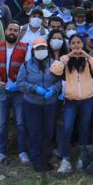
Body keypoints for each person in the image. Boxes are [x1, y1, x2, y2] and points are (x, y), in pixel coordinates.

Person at [51, 34, 93, 173]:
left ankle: (82, 158)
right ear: (69, 45)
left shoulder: (88, 60)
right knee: (67, 128)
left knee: (84, 129)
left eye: (78, 43)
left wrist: (87, 55)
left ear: (83, 44)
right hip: (70, 101)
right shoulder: (66, 59)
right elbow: (55, 69)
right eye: (73, 43)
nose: (76, 46)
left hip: (87, 100)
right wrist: (68, 56)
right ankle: (66, 159)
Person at [0, 22, 29, 164]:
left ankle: (22, 151)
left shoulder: (25, 47)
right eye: (10, 29)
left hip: (18, 91)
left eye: (15, 30)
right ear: (5, 31)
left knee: (20, 122)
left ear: (19, 33)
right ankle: (2, 152)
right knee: (2, 122)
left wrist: (20, 83)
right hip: (1, 90)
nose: (12, 32)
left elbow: (28, 68)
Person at [16, 38, 61, 172]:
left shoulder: (54, 64)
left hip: (50, 103)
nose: (41, 51)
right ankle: (36, 160)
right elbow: (20, 83)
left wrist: (54, 89)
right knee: (34, 131)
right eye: (38, 49)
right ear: (33, 51)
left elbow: (61, 81)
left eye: (43, 48)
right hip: (32, 103)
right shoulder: (26, 65)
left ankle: (45, 158)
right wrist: (34, 89)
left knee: (48, 131)